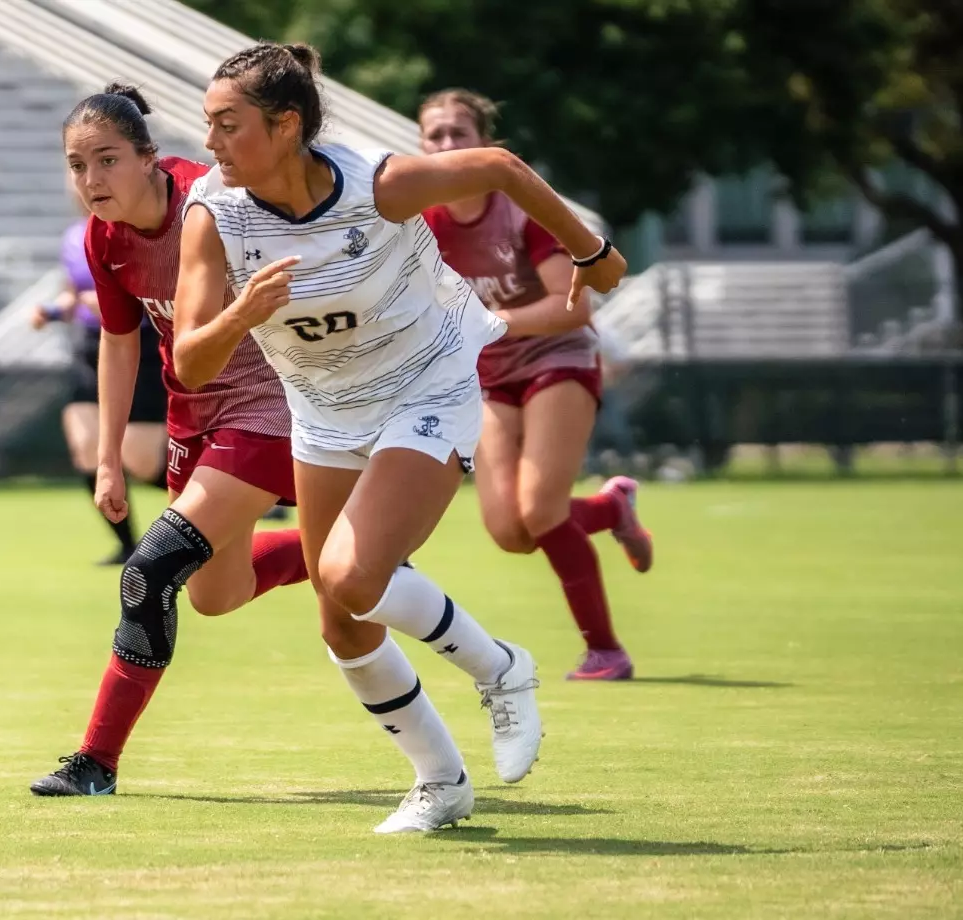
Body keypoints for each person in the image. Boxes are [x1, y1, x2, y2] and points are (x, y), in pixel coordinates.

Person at [175, 43, 627, 832]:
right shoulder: (214, 214)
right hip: (323, 410)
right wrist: (241, 315)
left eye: (227, 124)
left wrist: (593, 252)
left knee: (351, 574)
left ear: (285, 126)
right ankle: (440, 782)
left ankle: (499, 668)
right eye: (208, 124)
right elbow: (189, 360)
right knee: (340, 614)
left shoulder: (377, 183)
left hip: (429, 385)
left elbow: (501, 166)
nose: (209, 143)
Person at [29, 85, 312, 797]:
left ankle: (96, 762)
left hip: (271, 406)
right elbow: (119, 347)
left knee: (147, 574)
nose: (92, 180)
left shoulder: (211, 202)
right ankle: (345, 548)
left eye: (107, 160)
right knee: (218, 593)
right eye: (76, 165)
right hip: (197, 414)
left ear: (151, 157)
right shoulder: (103, 237)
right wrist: (107, 462)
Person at [418, 90, 653, 682]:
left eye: (458, 133)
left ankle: (606, 650)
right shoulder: (420, 221)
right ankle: (609, 507)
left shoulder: (519, 207)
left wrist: (487, 323)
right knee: (511, 531)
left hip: (559, 360)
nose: (447, 145)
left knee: (541, 508)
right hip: (492, 378)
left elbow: (572, 309)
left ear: (485, 143)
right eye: (435, 135)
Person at [31, 211, 169, 565]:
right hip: (90, 346)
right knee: (84, 445)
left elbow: (163, 295)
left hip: (136, 343)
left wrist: (116, 302)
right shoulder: (75, 234)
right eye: (76, 167)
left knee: (139, 460)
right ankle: (128, 545)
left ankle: (235, 496)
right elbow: (73, 294)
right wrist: (51, 311)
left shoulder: (144, 230)